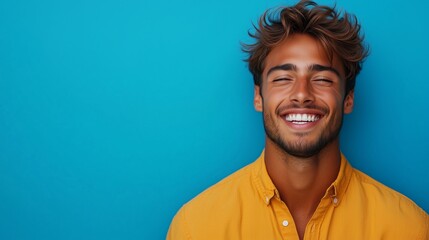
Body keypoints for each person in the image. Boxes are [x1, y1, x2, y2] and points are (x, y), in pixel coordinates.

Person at [166, 1, 429, 239]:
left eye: (323, 79)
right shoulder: (196, 227)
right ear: (258, 97)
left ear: (348, 98)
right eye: (282, 78)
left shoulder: (408, 229)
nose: (302, 94)